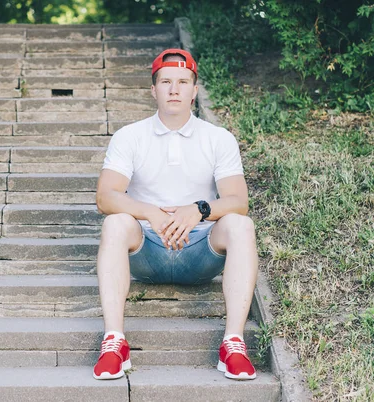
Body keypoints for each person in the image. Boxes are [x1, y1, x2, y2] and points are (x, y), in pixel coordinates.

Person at [93, 49, 258, 381]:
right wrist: (148, 212)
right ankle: (114, 342)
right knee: (115, 222)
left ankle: (233, 343)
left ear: (194, 90)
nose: (174, 89)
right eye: (165, 81)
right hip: (146, 250)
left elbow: (239, 200)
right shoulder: (130, 136)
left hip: (200, 251)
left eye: (183, 82)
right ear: (153, 89)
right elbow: (105, 196)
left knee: (240, 224)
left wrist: (199, 210)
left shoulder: (218, 139)